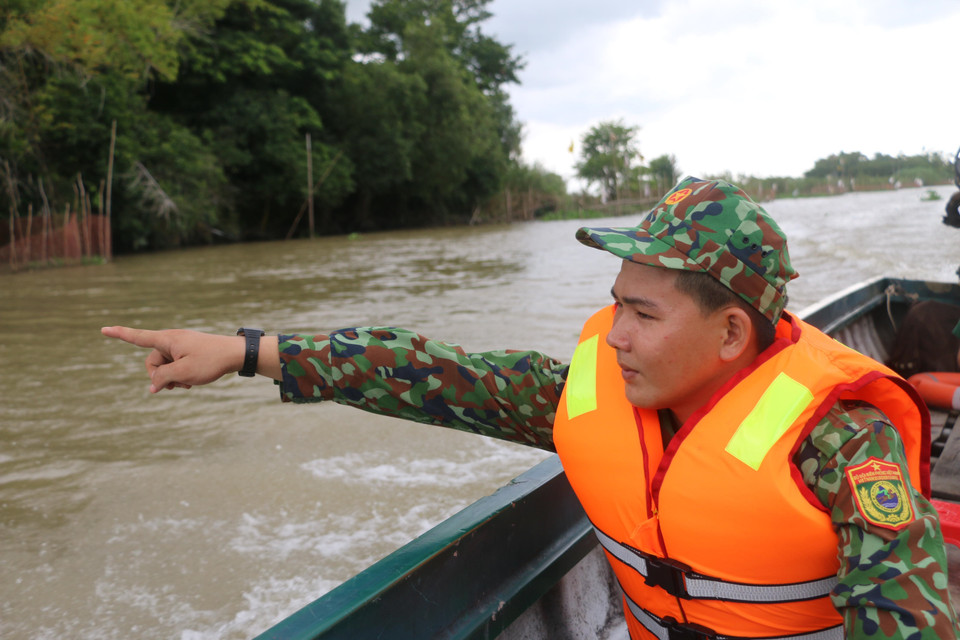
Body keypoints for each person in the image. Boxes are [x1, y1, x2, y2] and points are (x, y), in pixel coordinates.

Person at [103, 177, 959, 640]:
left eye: (644, 314)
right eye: (616, 304)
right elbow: (436, 375)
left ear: (732, 332)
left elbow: (906, 610)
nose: (615, 335)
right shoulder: (595, 396)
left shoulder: (843, 440)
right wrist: (246, 351)